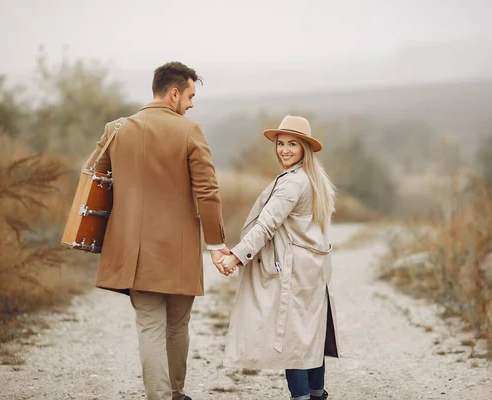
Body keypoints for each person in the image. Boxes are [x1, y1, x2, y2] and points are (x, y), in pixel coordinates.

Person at [81, 61, 232, 400]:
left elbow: (95, 182)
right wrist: (216, 244)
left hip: (132, 252)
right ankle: (176, 394)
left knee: (150, 327)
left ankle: (160, 397)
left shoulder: (116, 129)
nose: (192, 103)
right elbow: (207, 192)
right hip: (177, 253)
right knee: (177, 326)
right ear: (174, 93)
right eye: (190, 96)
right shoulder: (190, 131)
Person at [219, 115, 340, 400]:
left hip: (295, 270)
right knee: (309, 335)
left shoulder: (292, 183)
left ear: (304, 149)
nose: (284, 150)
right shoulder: (315, 178)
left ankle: (301, 397)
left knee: (292, 342)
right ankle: (316, 394)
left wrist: (237, 256)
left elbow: (266, 224)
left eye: (292, 144)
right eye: (280, 144)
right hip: (312, 268)